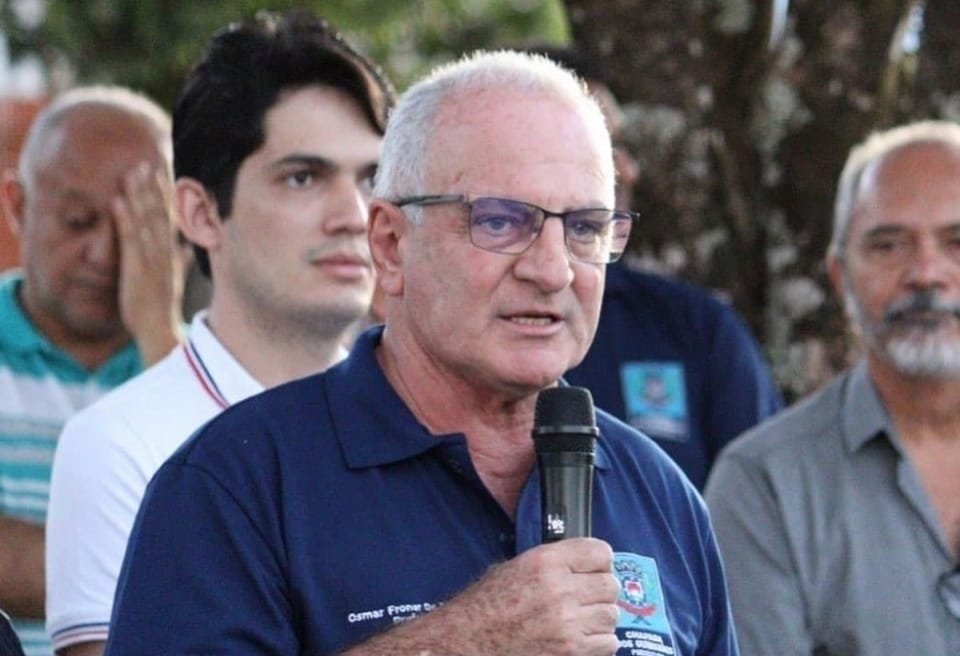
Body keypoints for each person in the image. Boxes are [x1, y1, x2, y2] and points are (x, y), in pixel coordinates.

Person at [104, 50, 738, 656]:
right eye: (500, 221)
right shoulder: (236, 484)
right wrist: (470, 641)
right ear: (389, 244)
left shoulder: (662, 495)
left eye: (585, 228)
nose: (553, 271)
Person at [44, 11, 394, 656]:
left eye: (371, 178)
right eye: (303, 177)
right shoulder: (122, 445)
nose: (353, 214)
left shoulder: (420, 426)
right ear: (200, 213)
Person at [704, 120, 960, 654]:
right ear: (841, 277)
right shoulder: (765, 484)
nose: (926, 273)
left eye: (957, 243)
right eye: (889, 245)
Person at [528, 46, 783, 490]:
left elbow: (770, 502)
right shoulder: (445, 324)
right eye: (595, 148)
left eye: (620, 147)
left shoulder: (695, 328)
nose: (626, 170)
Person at [0, 85, 182, 656]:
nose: (104, 254)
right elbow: (217, 559)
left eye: (135, 227)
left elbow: (239, 533)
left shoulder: (200, 362)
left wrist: (160, 335)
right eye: (79, 221)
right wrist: (176, 564)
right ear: (17, 206)